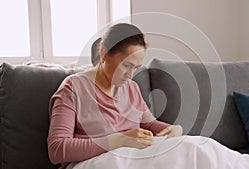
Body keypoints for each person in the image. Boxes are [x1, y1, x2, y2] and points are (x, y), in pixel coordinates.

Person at [47, 23, 183, 169]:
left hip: (132, 159)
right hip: (94, 163)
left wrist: (175, 129)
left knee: (197, 146)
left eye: (135, 68)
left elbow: (150, 124)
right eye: (126, 65)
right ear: (104, 54)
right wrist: (119, 140)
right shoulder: (73, 88)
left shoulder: (131, 88)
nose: (130, 75)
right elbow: (57, 149)